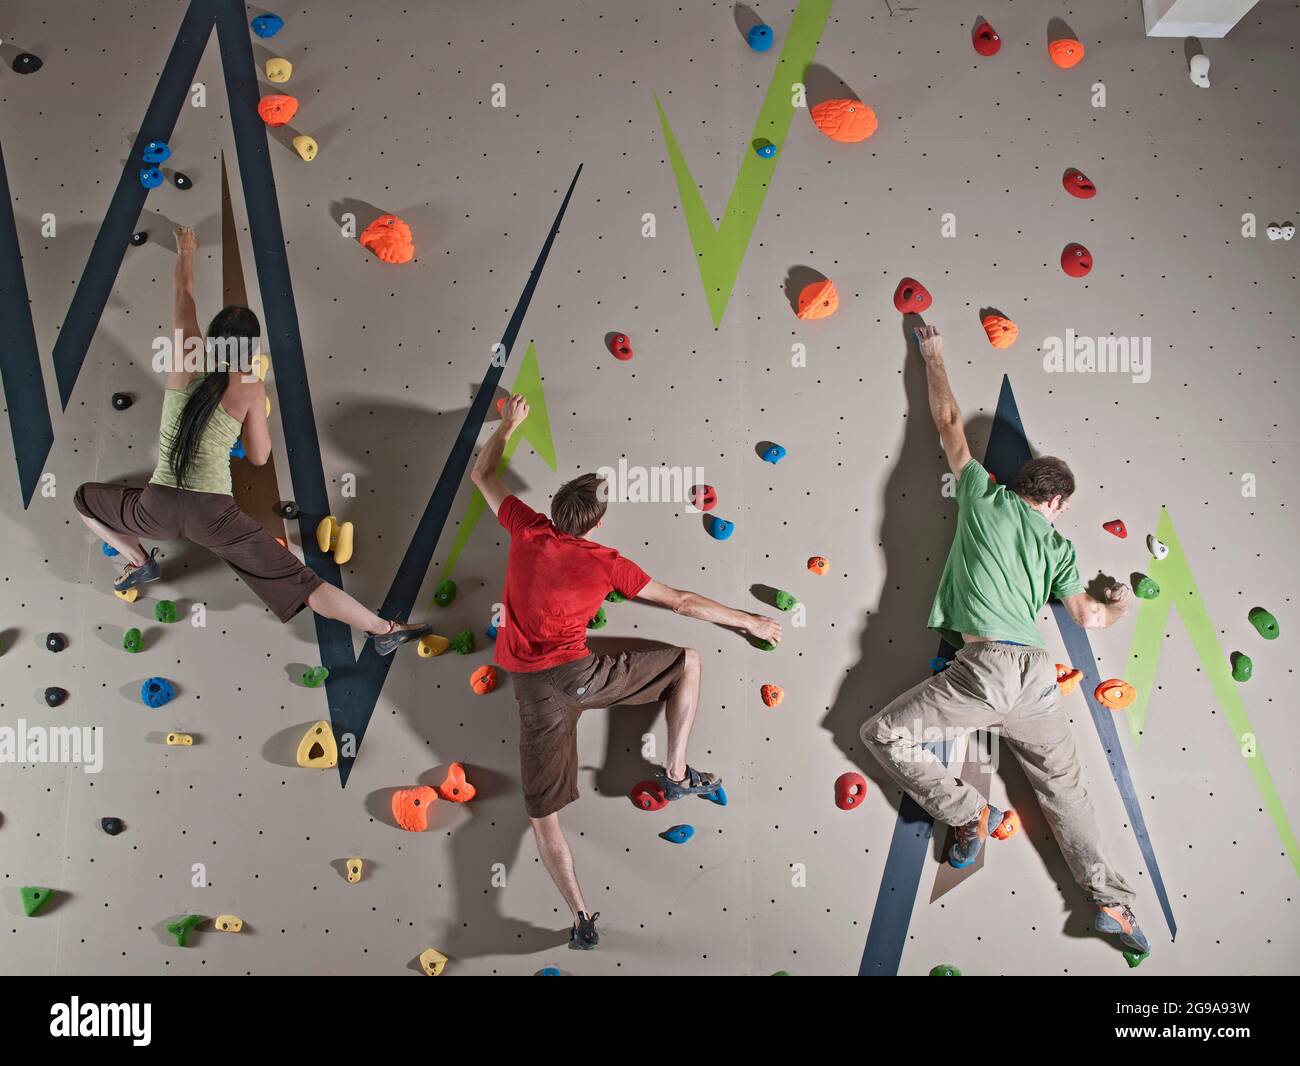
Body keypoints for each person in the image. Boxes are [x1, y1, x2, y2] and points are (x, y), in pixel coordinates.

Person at [860, 324, 1150, 957]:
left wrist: (933, 354)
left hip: (986, 668)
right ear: (1056, 502)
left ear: (1021, 486)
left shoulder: (982, 496)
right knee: (1066, 794)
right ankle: (1114, 907)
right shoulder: (1058, 544)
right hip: (1038, 677)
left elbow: (946, 423)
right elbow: (1092, 620)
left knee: (882, 734)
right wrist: (1120, 602)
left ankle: (966, 814)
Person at [471, 395, 783, 950]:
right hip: (581, 675)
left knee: (543, 818)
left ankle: (581, 919)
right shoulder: (606, 563)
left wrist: (509, 425)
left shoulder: (525, 529)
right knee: (689, 660)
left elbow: (482, 472)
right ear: (598, 522)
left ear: (553, 509)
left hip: (533, 693)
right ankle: (677, 771)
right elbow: (682, 602)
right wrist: (749, 622)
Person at [73, 226, 429, 654]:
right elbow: (259, 458)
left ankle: (139, 562)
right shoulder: (250, 386)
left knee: (84, 500)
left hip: (158, 508)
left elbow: (182, 301)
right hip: (214, 516)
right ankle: (382, 629)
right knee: (302, 582)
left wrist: (185, 251)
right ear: (250, 348)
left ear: (210, 335)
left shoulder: (185, 358)